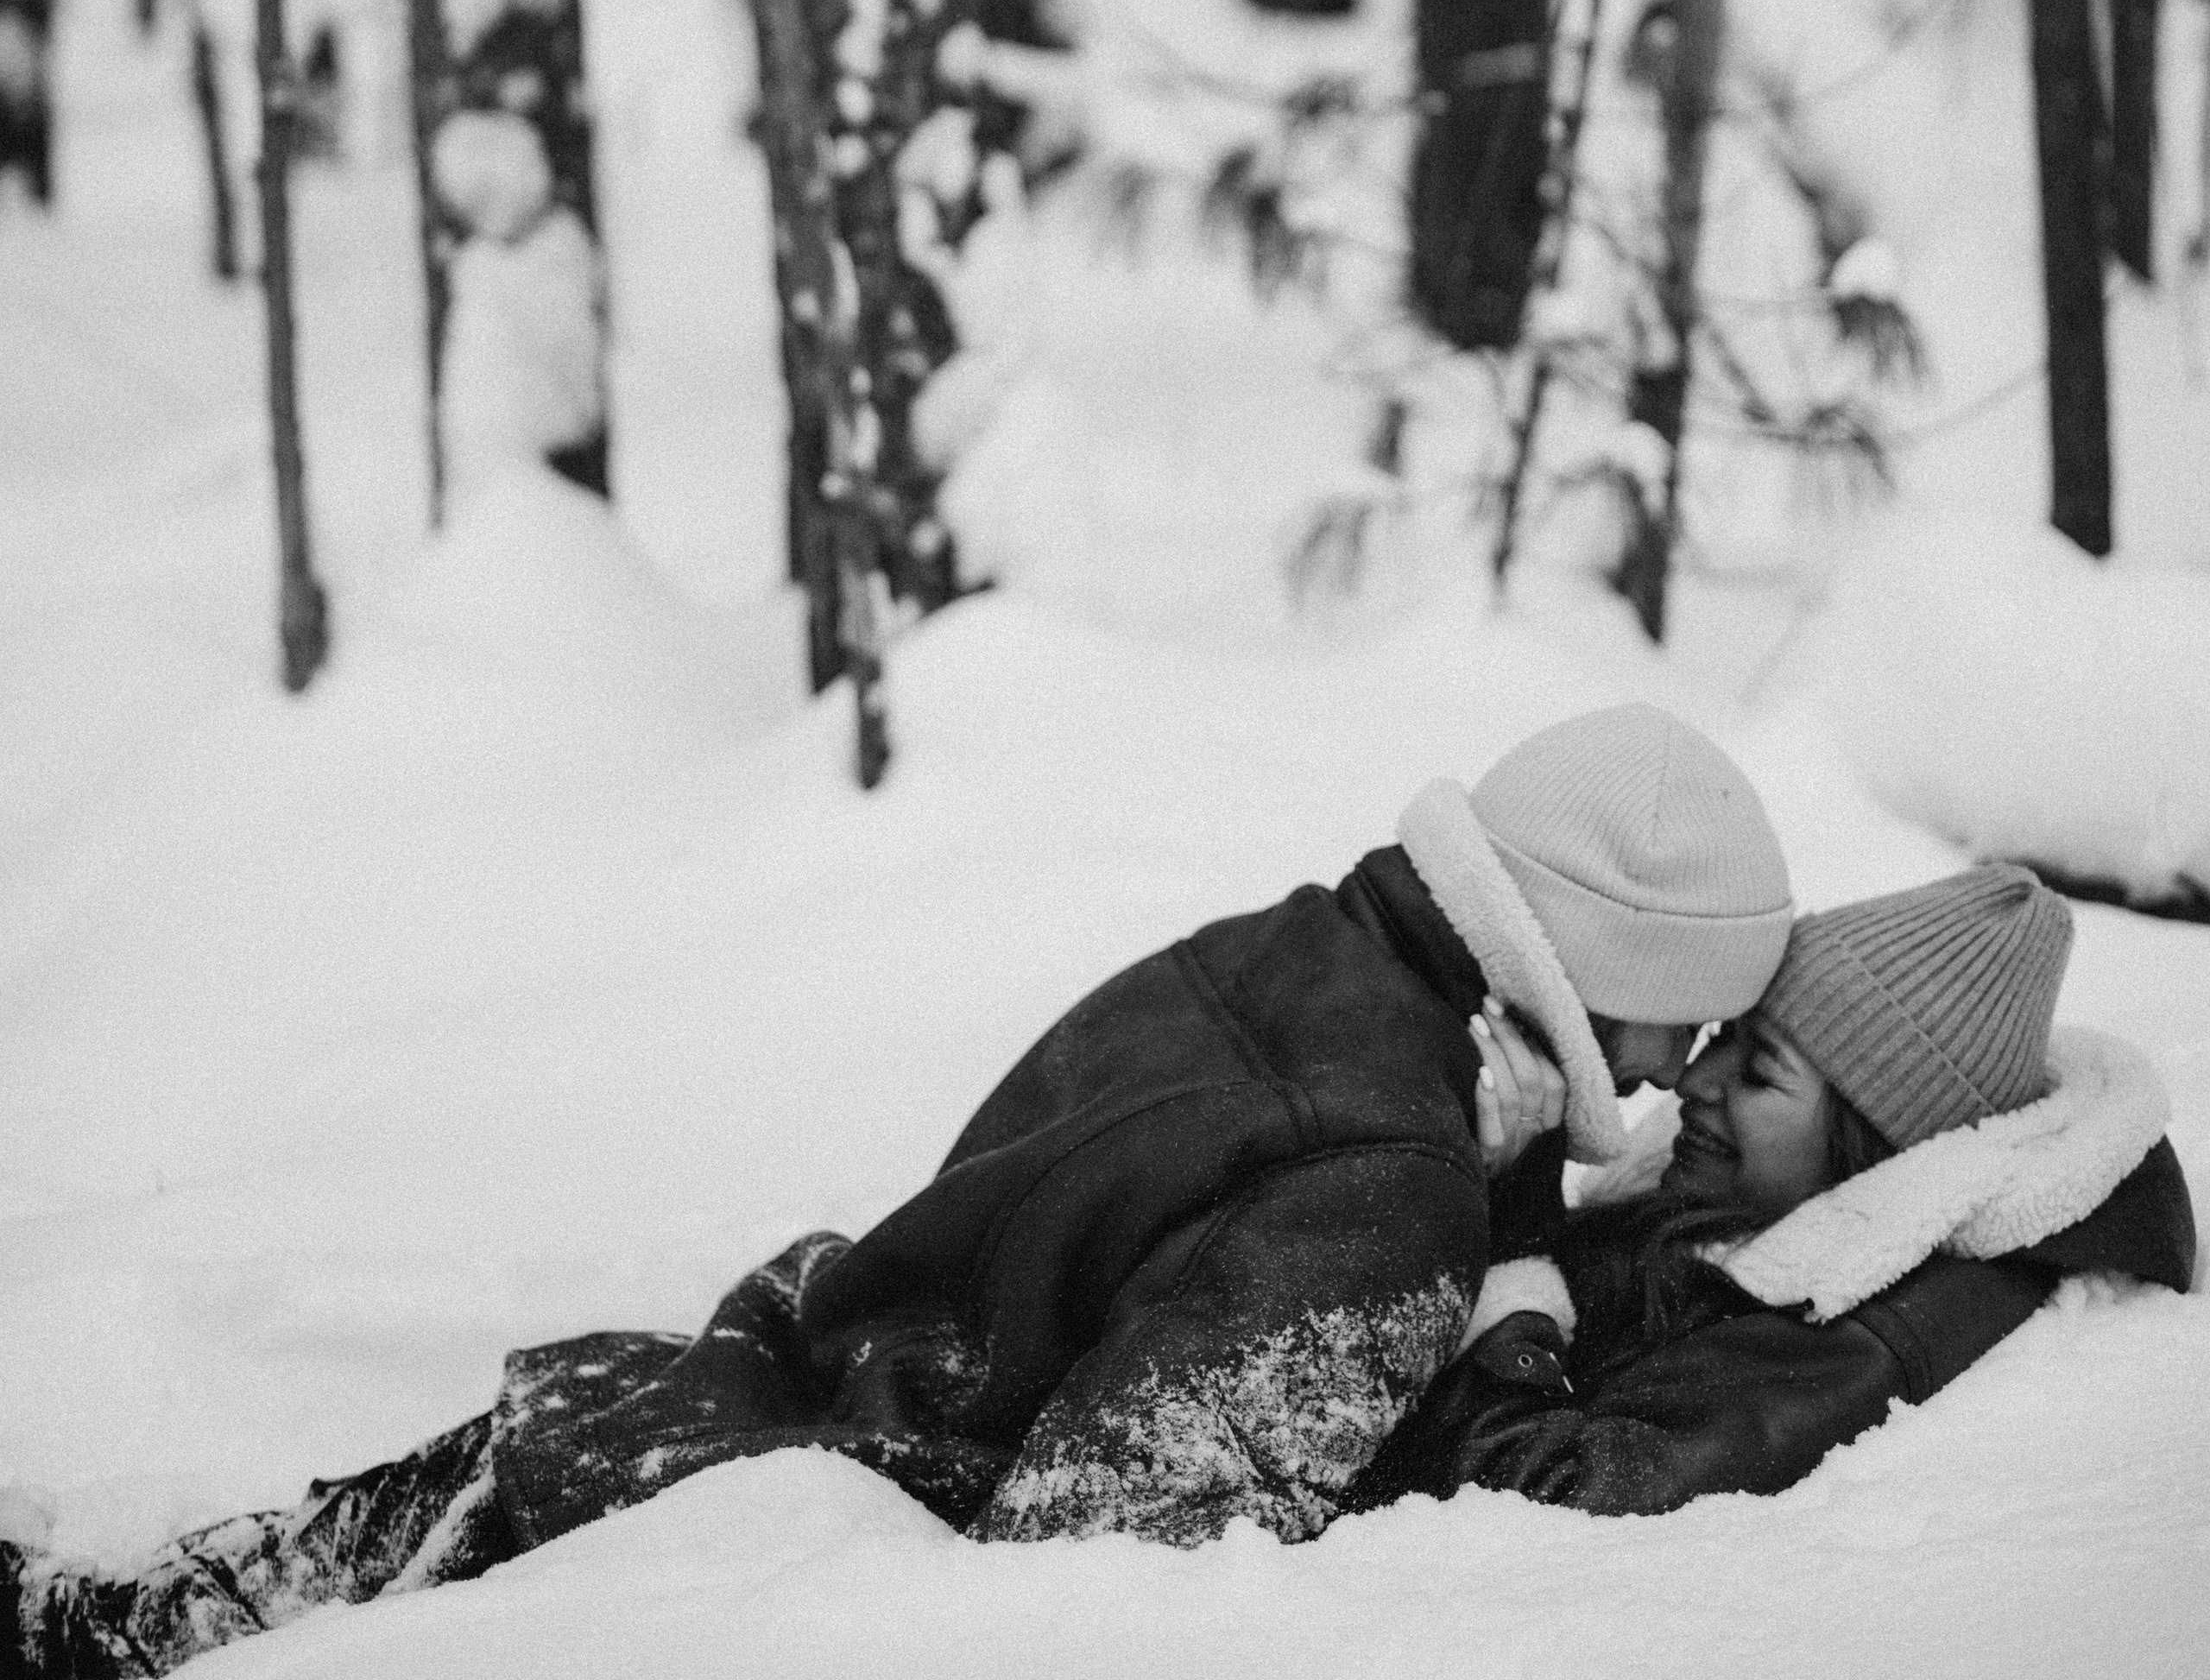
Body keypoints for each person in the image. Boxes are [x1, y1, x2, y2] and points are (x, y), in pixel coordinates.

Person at [4, 705, 1791, 1671]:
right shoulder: (1384, 1193)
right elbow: (1105, 1571)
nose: (1666, 1079)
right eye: (1671, 1020)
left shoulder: (1297, 955)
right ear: (1581, 962)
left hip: (690, 1415)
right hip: (753, 1566)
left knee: (136, 1629)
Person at [1351, 862, 2195, 1519]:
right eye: (1722, 1038)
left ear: (1873, 1149)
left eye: (1757, 1069)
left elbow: (1565, 1499)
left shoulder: (1884, 1316)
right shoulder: (1755, 1222)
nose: (1693, 1079)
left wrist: (1515, 1272)